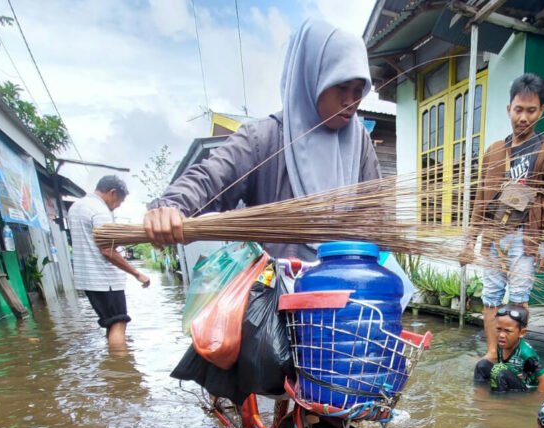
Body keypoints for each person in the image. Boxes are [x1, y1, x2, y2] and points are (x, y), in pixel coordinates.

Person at [142, 19, 381, 262]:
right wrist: (171, 207)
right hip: (279, 294)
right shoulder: (262, 139)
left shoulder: (359, 144)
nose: (350, 101)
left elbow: (376, 215)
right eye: (341, 87)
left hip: (349, 289)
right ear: (311, 78)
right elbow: (209, 179)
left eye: (358, 91)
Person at [461, 73, 544, 361]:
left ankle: (514, 357)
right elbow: (481, 198)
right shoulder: (494, 152)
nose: (523, 117)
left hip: (524, 235)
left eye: (531, 111)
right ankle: (493, 352)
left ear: (541, 111)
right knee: (491, 297)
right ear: (509, 109)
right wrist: (470, 242)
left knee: (519, 298)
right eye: (518, 109)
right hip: (494, 235)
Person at [69, 175, 151, 348]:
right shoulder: (100, 211)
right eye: (119, 202)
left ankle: (113, 366)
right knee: (119, 323)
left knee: (111, 322)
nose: (117, 207)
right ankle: (122, 370)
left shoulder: (77, 207)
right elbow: (107, 250)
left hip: (88, 279)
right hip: (105, 280)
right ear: (112, 192)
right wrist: (137, 273)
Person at [474, 304, 544, 393]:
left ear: (521, 333)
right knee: (482, 365)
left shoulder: (526, 354)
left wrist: (535, 399)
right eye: (499, 329)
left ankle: (498, 403)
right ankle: (479, 394)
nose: (501, 335)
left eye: (507, 331)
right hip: (508, 377)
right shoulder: (501, 343)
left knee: (499, 373)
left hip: (524, 387)